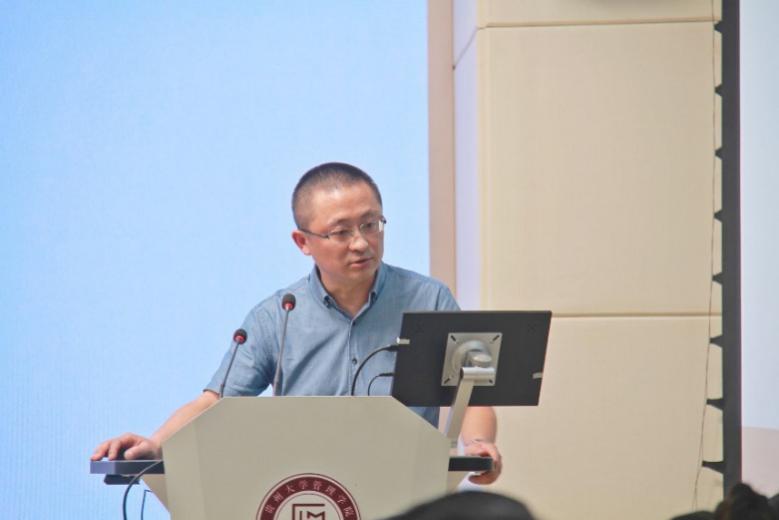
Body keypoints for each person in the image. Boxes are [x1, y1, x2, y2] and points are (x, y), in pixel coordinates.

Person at [91, 162, 502, 484]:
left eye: (371, 224)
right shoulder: (278, 315)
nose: (361, 242)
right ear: (303, 242)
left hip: (405, 486)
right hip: (308, 492)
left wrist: (479, 444)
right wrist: (155, 444)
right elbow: (215, 402)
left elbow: (471, 394)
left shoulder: (430, 300)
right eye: (340, 232)